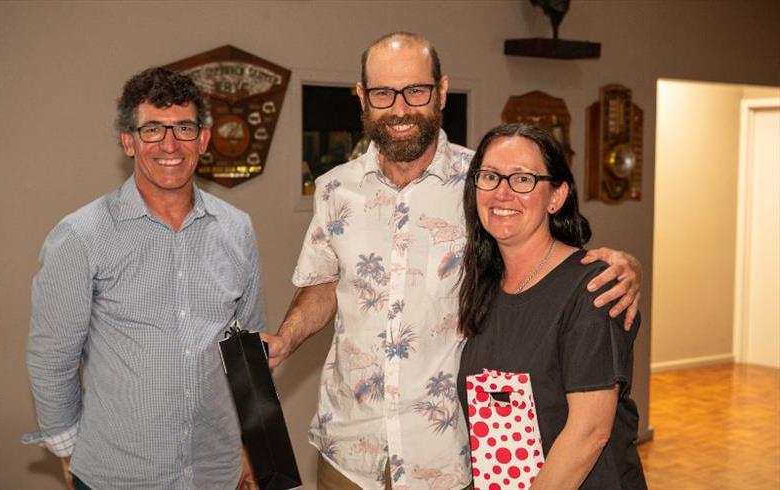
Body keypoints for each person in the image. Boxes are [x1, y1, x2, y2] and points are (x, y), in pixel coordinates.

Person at [261, 32, 642, 490]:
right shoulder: (334, 189)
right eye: (383, 93)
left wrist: (621, 264)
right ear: (362, 98)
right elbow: (326, 283)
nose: (399, 108)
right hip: (348, 451)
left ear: (441, 91)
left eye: (415, 90)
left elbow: (541, 252)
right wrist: (287, 337)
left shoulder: (482, 185)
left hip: (448, 458)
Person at [23, 67, 265, 490]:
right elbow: (51, 356)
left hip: (216, 470)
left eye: (183, 128)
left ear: (203, 139)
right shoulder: (80, 236)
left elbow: (247, 352)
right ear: (128, 141)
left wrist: (250, 442)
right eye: (152, 129)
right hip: (119, 476)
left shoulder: (237, 229)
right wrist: (68, 448)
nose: (169, 145)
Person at [457, 123, 647, 489]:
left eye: (523, 179)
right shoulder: (484, 286)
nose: (502, 192)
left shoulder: (592, 288)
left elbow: (589, 433)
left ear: (556, 196)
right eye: (490, 176)